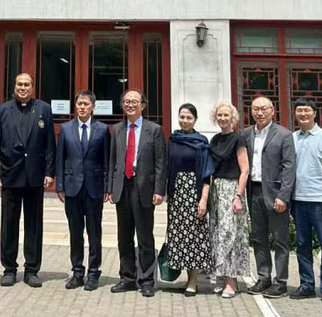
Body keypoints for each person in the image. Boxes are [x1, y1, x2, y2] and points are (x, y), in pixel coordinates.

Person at [0, 73, 55, 288]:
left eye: (27, 84)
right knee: (9, 224)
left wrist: (49, 172)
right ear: (14, 86)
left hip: (35, 176)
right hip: (10, 175)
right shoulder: (2, 111)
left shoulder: (44, 109)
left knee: (33, 225)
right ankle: (9, 269)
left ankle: (32, 270)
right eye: (19, 84)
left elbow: (50, 144)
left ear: (32, 87)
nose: (23, 88)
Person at [107, 89, 166, 298]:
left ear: (143, 105)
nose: (130, 105)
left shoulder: (154, 130)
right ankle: (127, 277)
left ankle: (147, 279)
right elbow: (112, 161)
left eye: (134, 101)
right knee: (124, 236)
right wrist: (109, 188)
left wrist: (159, 190)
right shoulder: (117, 129)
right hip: (122, 187)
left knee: (144, 236)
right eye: (126, 101)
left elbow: (160, 162)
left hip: (144, 189)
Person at [54, 90, 110, 291]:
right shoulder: (65, 128)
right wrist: (59, 185)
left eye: (86, 104)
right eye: (79, 104)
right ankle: (78, 271)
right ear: (75, 106)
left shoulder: (102, 129)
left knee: (94, 233)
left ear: (93, 107)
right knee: (75, 232)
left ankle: (93, 272)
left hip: (94, 188)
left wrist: (107, 187)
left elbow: (106, 160)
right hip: (72, 188)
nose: (82, 107)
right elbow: (60, 159)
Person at [243, 96, 296, 299]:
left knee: (280, 239)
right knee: (258, 238)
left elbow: (289, 167)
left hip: (275, 194)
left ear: (272, 111)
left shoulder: (284, 135)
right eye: (256, 109)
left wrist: (284, 196)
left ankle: (280, 282)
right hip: (254, 191)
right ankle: (263, 277)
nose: (260, 112)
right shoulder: (246, 134)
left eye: (264, 108)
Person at [289, 98, 322, 305]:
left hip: (319, 200)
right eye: (299, 110)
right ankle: (307, 284)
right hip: (298, 199)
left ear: (315, 113)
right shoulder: (292, 138)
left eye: (307, 110)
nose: (303, 114)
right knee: (302, 244)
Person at [165, 103, 214, 296]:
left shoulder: (201, 142)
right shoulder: (173, 139)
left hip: (194, 192)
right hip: (176, 195)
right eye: (182, 117)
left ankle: (193, 281)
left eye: (189, 118)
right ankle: (184, 276)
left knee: (194, 237)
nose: (184, 121)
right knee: (179, 237)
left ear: (195, 120)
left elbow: (207, 175)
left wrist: (203, 200)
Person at [208, 101, 250, 299]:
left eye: (226, 115)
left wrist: (238, 196)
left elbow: (245, 170)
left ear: (233, 117)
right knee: (217, 234)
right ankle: (221, 276)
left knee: (230, 235)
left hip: (232, 189)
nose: (223, 118)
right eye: (220, 115)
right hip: (216, 190)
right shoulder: (215, 140)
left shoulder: (238, 139)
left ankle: (231, 283)